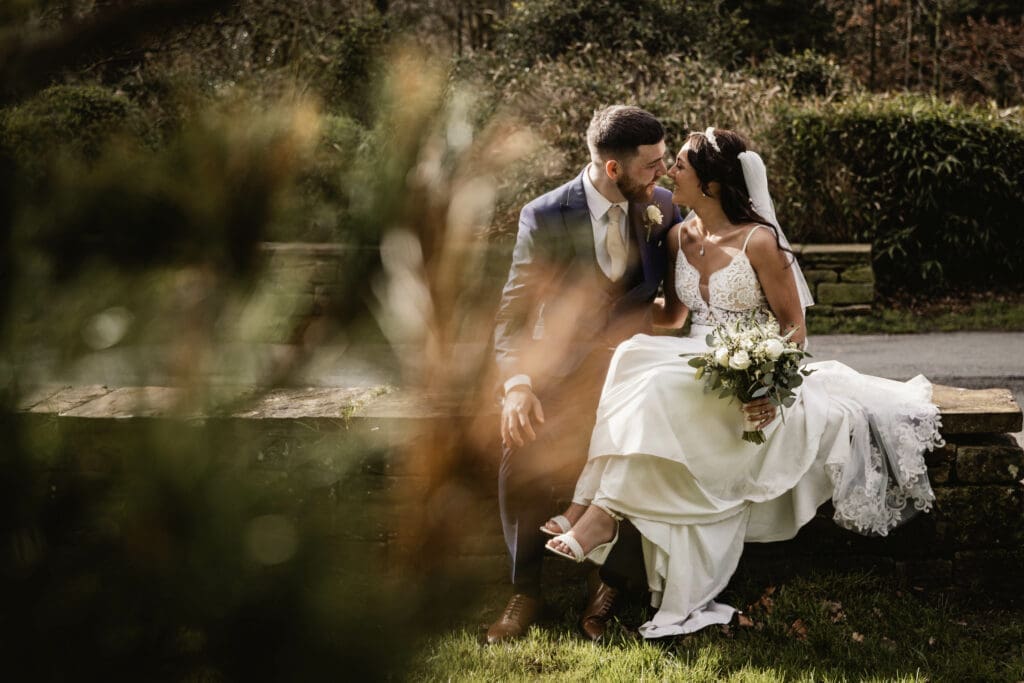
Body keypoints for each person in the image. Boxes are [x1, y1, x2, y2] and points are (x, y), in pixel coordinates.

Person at [543, 127, 944, 638]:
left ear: (711, 185)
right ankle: (594, 511)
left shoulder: (759, 241)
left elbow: (794, 328)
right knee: (630, 357)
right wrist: (602, 319)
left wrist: (770, 387)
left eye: (681, 166)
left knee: (657, 385)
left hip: (750, 366)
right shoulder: (676, 236)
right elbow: (671, 317)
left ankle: (596, 514)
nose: (670, 174)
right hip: (697, 355)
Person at [487, 105, 682, 644]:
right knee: (519, 450)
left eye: (665, 162)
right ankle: (525, 589)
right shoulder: (546, 214)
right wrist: (518, 384)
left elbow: (692, 286)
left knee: (641, 451)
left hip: (637, 371)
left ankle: (610, 583)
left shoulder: (662, 207)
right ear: (613, 169)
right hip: (565, 370)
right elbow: (513, 311)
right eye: (652, 165)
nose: (662, 174)